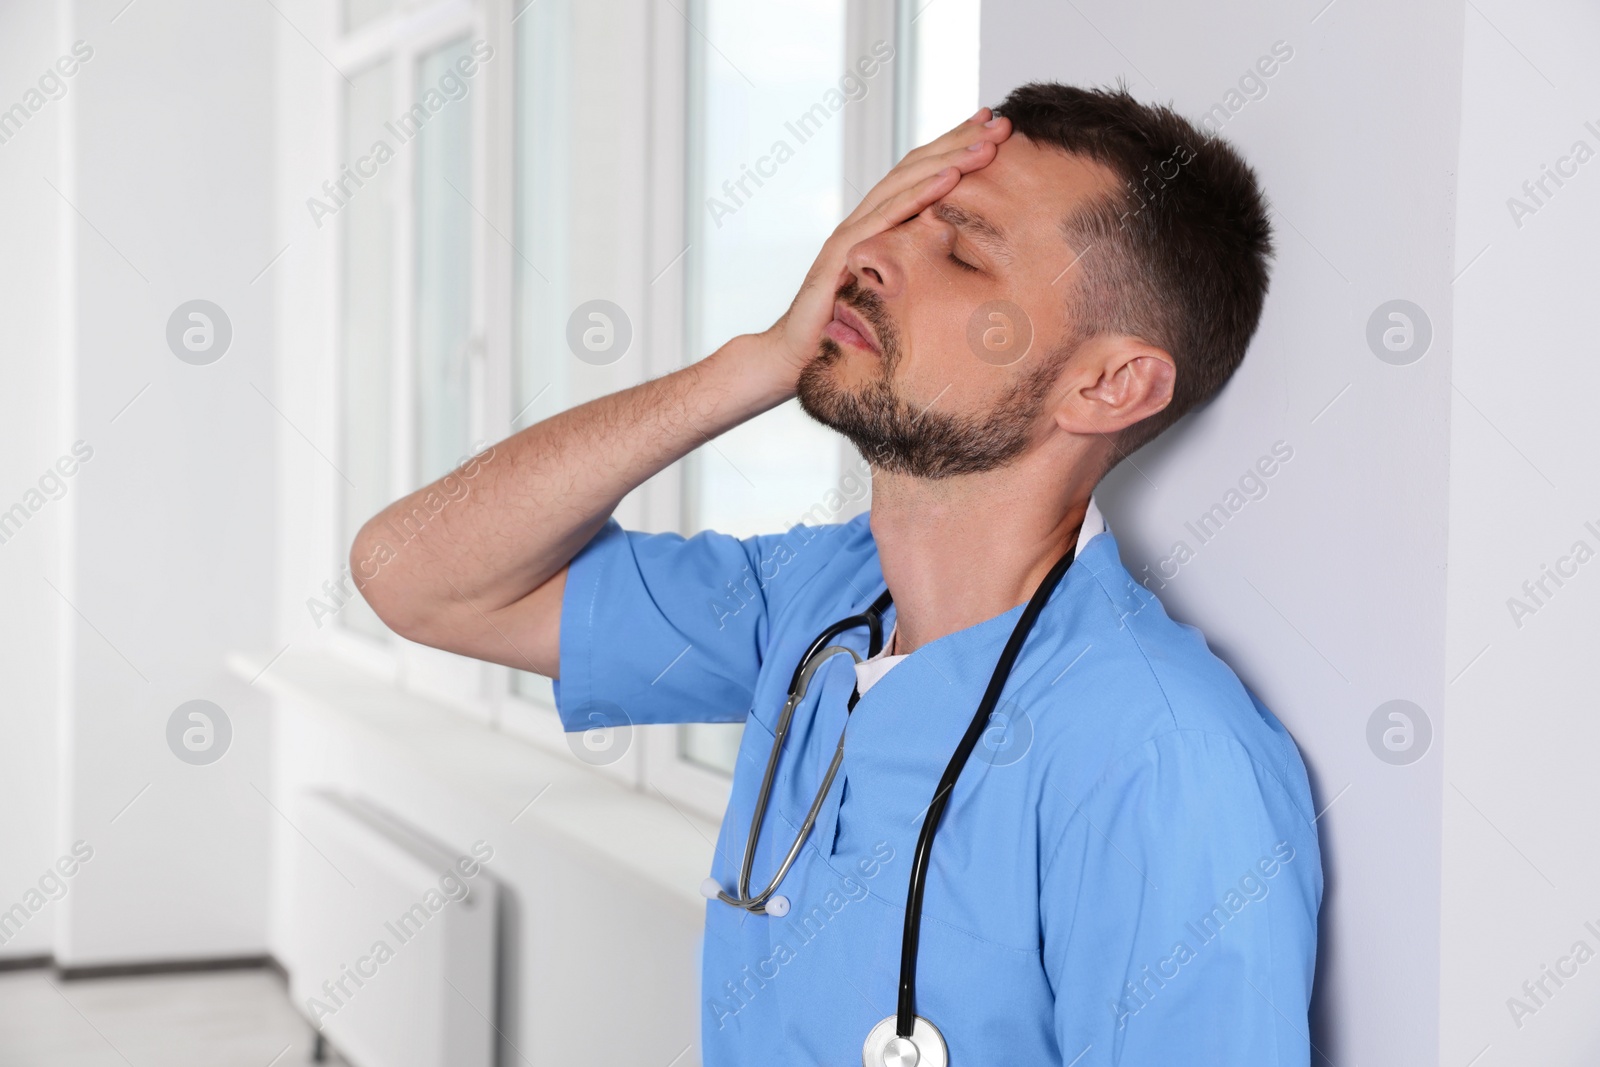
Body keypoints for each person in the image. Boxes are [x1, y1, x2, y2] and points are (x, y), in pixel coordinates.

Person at [354, 82, 1323, 1066]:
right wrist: (754, 365)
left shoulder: (1163, 763)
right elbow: (417, 577)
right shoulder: (810, 601)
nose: (863, 258)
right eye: (888, 220)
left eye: (958, 249)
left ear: (1108, 382)